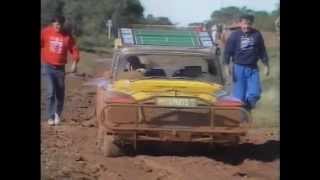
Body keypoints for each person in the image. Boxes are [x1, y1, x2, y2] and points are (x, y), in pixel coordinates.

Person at [223, 14, 270, 111]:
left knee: (255, 94)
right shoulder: (234, 35)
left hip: (253, 69)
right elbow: (227, 52)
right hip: (238, 68)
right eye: (244, 23)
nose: (246, 26)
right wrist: (226, 66)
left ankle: (247, 109)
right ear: (240, 23)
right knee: (239, 97)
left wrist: (266, 65)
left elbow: (262, 50)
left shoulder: (257, 34)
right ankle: (241, 118)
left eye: (249, 24)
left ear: (252, 24)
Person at [41, 15, 80, 125]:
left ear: (63, 25)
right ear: (52, 24)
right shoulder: (46, 32)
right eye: (56, 24)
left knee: (60, 93)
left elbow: (74, 49)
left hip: (60, 69)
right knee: (50, 92)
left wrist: (75, 63)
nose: (58, 26)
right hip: (48, 67)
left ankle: (57, 114)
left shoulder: (67, 36)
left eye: (61, 24)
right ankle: (50, 116)